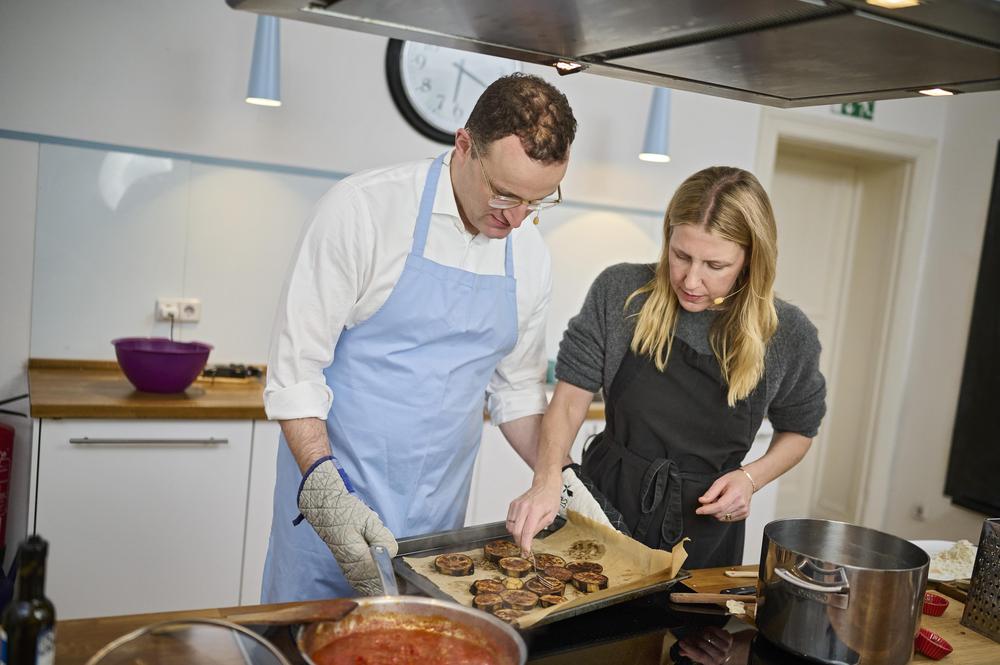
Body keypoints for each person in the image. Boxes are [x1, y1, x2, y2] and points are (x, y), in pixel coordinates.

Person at [260, 73, 609, 602]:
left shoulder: (530, 254)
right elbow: (295, 373)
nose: (516, 219)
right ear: (464, 146)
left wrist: (558, 476)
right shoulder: (363, 211)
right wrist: (326, 493)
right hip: (332, 503)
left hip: (437, 527)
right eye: (504, 194)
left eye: (538, 201)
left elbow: (515, 394)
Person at [507, 166, 827, 568]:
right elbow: (570, 400)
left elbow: (800, 429)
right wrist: (548, 477)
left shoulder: (786, 334)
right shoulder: (620, 292)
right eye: (681, 256)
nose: (691, 280)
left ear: (750, 261)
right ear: (668, 238)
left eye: (714, 266)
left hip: (706, 534)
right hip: (601, 511)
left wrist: (750, 479)